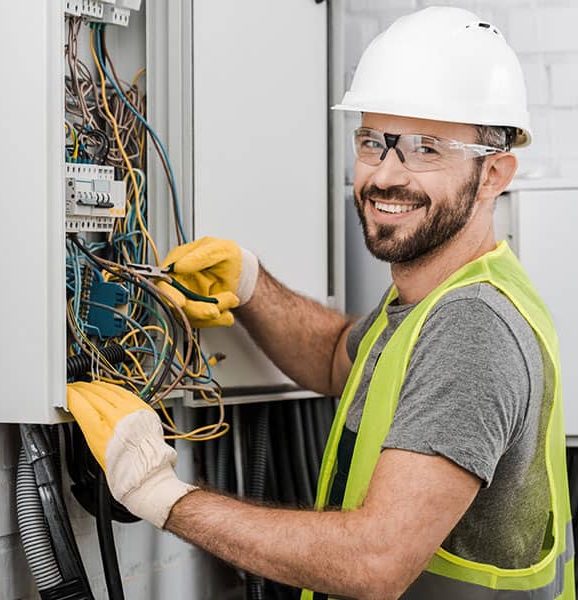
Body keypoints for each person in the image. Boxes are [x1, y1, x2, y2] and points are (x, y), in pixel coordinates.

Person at [67, 7, 575, 599]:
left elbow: (375, 562)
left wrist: (162, 496)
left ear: (494, 174)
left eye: (425, 149)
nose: (386, 175)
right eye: (372, 142)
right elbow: (339, 358)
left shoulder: (471, 326)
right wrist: (252, 285)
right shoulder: (431, 300)